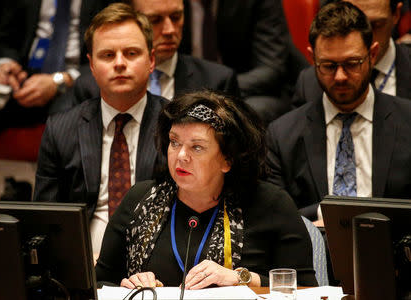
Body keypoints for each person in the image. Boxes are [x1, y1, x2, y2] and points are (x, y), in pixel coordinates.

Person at [95, 90, 317, 288]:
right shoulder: (140, 200)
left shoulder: (271, 205)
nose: (181, 155)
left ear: (227, 160)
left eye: (197, 147)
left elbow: (307, 290)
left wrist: (242, 278)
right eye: (174, 142)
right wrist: (127, 285)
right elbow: (99, 282)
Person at [33, 3, 167, 255]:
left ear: (151, 61)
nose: (119, 63)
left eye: (131, 53)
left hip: (158, 268)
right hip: (83, 264)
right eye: (107, 55)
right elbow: (44, 221)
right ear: (92, 66)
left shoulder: (175, 124)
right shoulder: (61, 129)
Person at [266, 1, 411, 221]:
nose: (340, 76)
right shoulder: (282, 136)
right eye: (329, 66)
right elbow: (275, 218)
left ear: (372, 55)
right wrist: (327, 213)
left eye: (352, 63)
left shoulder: (408, 121)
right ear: (312, 58)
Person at [0, 0, 108, 191]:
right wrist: (4, 63)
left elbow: (111, 50)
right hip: (21, 78)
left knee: (65, 123)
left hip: (74, 80)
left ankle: (58, 213)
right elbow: (4, 38)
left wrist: (60, 80)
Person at [55, 0, 240, 111]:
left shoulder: (217, 82)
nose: (169, 30)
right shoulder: (90, 86)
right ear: (131, 20)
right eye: (155, 20)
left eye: (176, 17)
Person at [181, 0, 298, 123]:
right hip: (188, 88)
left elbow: (271, 68)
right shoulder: (169, 5)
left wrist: (216, 89)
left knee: (243, 114)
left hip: (248, 91)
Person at [293, 0, 411, 107]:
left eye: (376, 25)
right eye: (352, 25)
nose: (366, 37)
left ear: (396, 14)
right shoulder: (308, 84)